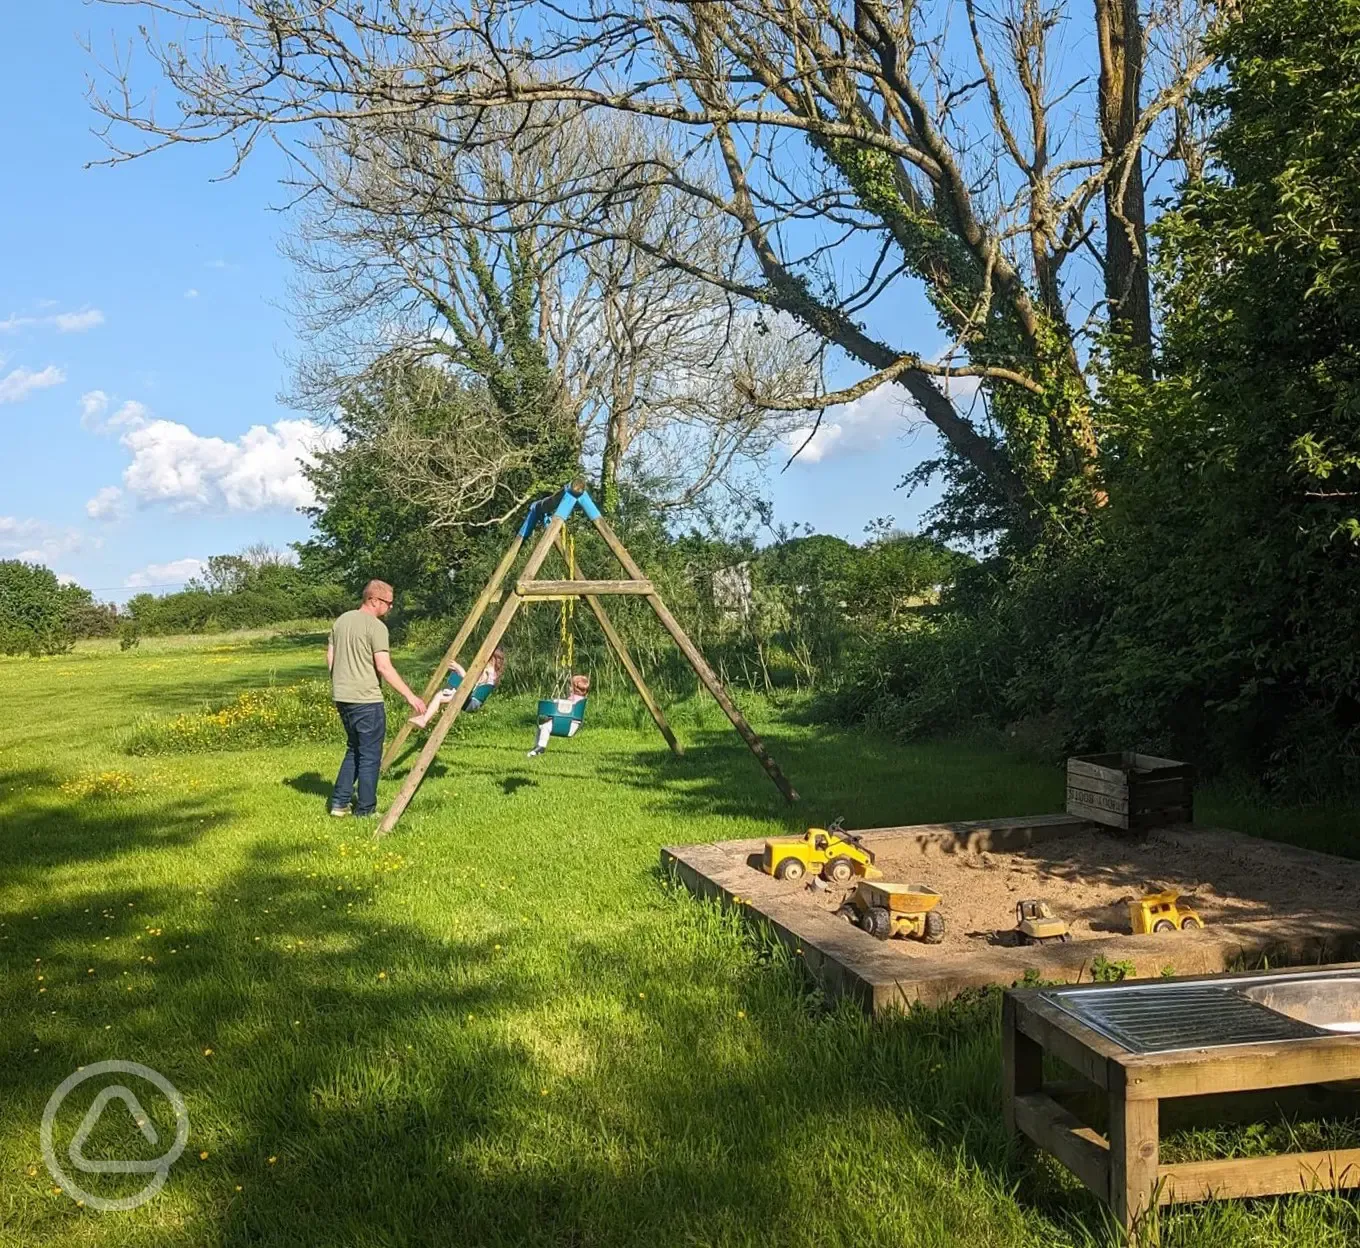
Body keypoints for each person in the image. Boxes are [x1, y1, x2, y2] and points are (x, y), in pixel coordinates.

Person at [326, 580, 426, 818]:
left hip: (343, 696)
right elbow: (384, 666)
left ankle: (339, 803)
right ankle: (366, 809)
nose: (390, 608)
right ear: (374, 600)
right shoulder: (376, 627)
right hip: (367, 699)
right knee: (370, 755)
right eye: (388, 603)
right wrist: (410, 695)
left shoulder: (341, 621)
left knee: (354, 749)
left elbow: (330, 657)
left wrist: (339, 682)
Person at [407, 646, 507, 728]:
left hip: (472, 701)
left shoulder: (488, 672)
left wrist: (460, 669)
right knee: (442, 693)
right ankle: (425, 717)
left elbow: (471, 685)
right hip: (472, 700)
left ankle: (424, 720)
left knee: (439, 696)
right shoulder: (493, 673)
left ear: (491, 658)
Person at [527, 673, 590, 757]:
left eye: (570, 685)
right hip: (568, 723)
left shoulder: (576, 699)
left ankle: (541, 747)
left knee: (545, 727)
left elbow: (567, 706)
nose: (569, 687)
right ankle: (537, 746)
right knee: (542, 727)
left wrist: (557, 701)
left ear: (574, 688)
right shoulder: (579, 699)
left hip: (568, 725)